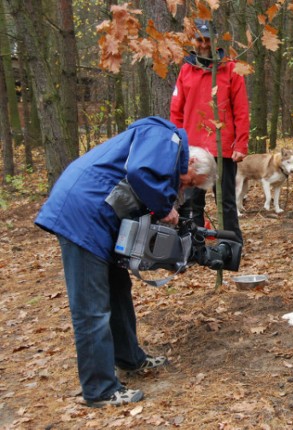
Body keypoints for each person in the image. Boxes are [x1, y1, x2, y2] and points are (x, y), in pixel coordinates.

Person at [34, 116, 216, 407]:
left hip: (99, 218)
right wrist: (163, 206)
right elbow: (138, 171)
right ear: (192, 164)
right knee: (91, 309)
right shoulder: (168, 140)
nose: (185, 189)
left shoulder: (166, 149)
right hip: (82, 217)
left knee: (118, 293)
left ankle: (130, 359)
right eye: (190, 183)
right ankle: (100, 390)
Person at [170, 19, 250, 243]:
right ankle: (195, 245)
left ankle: (231, 245)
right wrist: (178, 143)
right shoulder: (186, 70)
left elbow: (241, 110)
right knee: (192, 201)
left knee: (225, 201)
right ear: (194, 42)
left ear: (215, 42)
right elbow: (176, 110)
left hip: (223, 148)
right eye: (200, 40)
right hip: (193, 149)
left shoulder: (231, 69)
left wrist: (241, 144)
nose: (203, 44)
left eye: (208, 40)